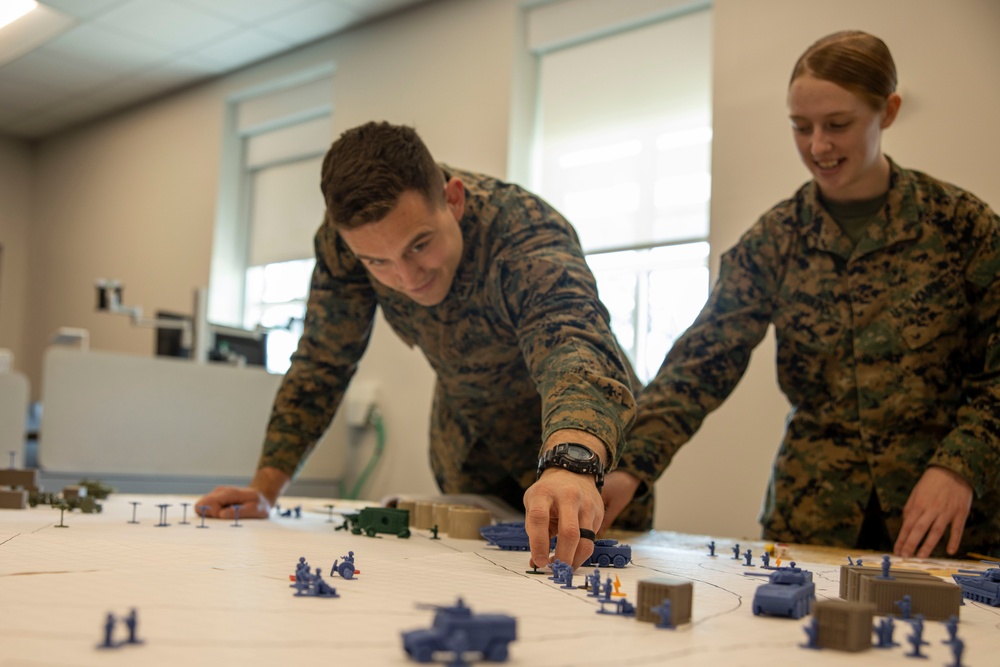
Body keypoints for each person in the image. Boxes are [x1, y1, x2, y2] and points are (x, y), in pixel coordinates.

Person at [195, 121, 641, 569]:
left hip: (586, 443)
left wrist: (575, 462)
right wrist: (264, 491)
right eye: (378, 263)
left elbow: (573, 343)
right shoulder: (343, 243)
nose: (407, 279)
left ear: (453, 199)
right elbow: (321, 363)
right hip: (470, 447)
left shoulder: (523, 229)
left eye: (419, 245)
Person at [621, 30, 1000, 558]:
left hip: (947, 522)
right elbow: (701, 365)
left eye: (838, 126)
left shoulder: (962, 227)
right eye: (801, 127)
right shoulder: (775, 240)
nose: (818, 146)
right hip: (814, 521)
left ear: (887, 112)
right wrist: (625, 467)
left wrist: (960, 465)